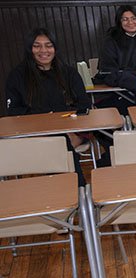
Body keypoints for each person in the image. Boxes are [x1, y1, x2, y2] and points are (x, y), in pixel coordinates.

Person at [5, 28, 92, 184]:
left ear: (55, 48)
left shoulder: (69, 73)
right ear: (29, 49)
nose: (43, 50)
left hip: (71, 130)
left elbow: (84, 104)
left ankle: (72, 194)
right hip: (32, 134)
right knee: (59, 143)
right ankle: (79, 192)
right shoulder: (17, 76)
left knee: (60, 142)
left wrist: (69, 129)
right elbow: (14, 112)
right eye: (37, 46)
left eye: (48, 45)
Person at [96, 5, 136, 107]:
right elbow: (107, 69)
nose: (130, 22)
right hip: (119, 88)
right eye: (125, 19)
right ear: (119, 22)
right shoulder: (111, 41)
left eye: (134, 18)